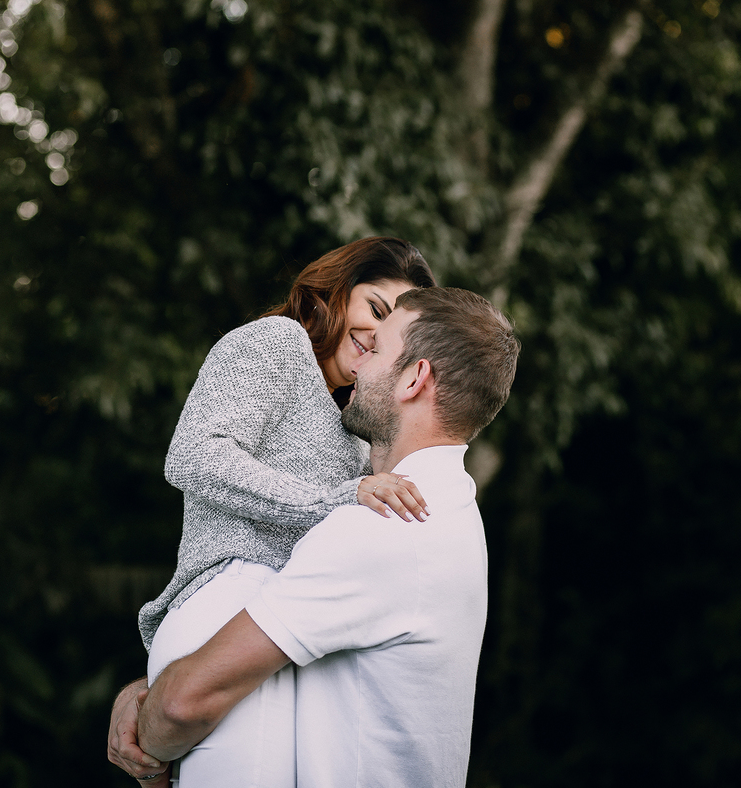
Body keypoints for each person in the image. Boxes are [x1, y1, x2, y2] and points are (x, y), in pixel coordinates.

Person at [109, 287, 520, 787]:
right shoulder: (451, 514)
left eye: (378, 349)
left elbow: (181, 704)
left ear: (415, 379)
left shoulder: (384, 526)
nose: (359, 362)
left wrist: (144, 733)